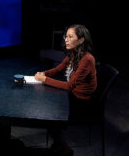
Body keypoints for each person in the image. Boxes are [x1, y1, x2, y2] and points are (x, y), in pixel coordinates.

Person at [35, 24, 97, 156]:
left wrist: (44, 80)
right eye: (66, 37)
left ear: (81, 40)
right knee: (47, 104)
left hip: (82, 103)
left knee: (49, 112)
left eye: (70, 37)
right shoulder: (73, 54)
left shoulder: (87, 59)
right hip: (72, 96)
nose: (66, 40)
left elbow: (69, 85)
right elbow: (58, 69)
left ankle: (64, 148)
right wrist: (43, 73)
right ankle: (58, 144)